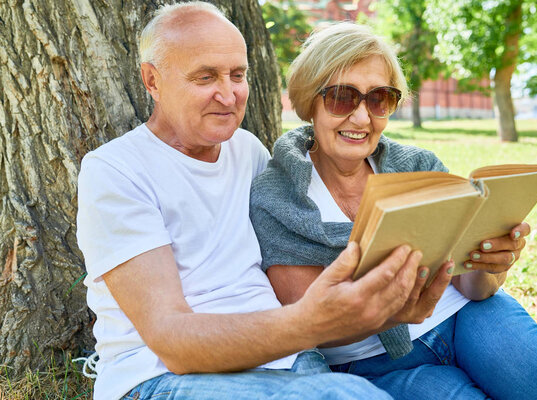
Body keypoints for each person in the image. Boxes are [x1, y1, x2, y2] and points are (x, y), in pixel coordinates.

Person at [76, 3, 453, 400]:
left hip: (288, 357)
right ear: (152, 80)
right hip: (161, 377)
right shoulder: (115, 171)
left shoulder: (247, 151)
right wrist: (311, 322)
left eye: (237, 75)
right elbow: (172, 342)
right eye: (205, 77)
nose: (228, 93)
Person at [249, 22, 537, 400]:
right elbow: (307, 324)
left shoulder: (417, 165)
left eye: (379, 99)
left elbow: (472, 287)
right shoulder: (277, 195)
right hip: (368, 364)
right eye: (341, 98)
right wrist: (396, 309)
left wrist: (488, 265)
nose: (363, 118)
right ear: (308, 101)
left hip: (466, 319)